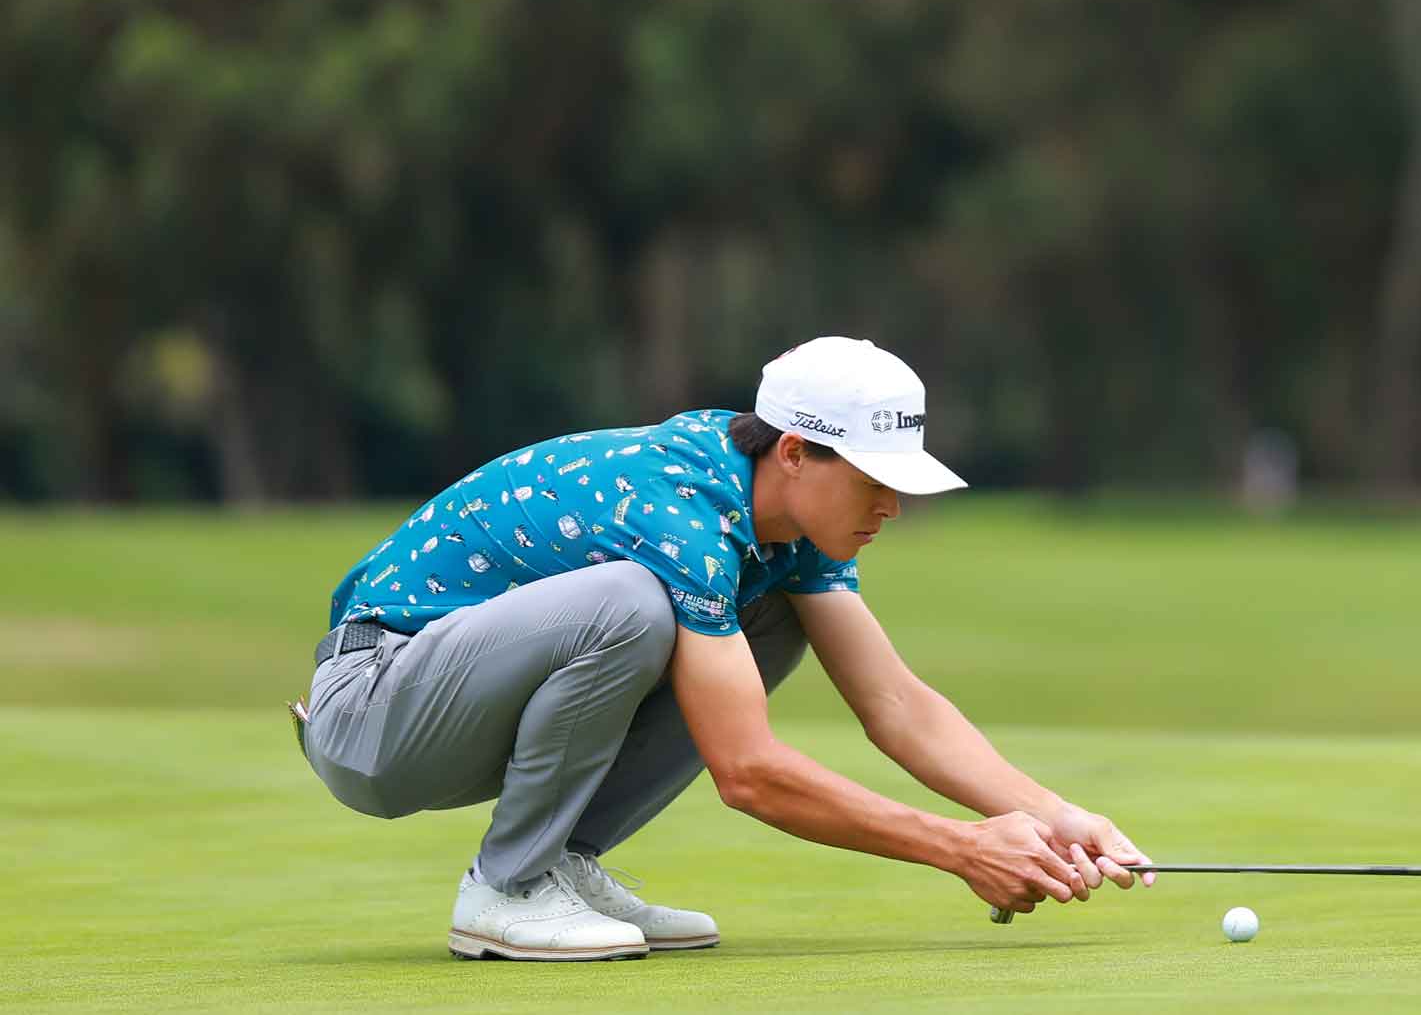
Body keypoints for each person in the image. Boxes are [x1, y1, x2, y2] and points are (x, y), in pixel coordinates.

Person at [294, 335, 1154, 961]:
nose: (893, 507)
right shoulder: (680, 508)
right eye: (875, 480)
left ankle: (559, 862)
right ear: (793, 451)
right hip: (374, 710)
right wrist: (961, 848)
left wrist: (1055, 817)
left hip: (458, 711)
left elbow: (897, 704)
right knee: (630, 605)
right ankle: (507, 887)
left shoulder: (784, 526)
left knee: (770, 618)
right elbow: (746, 772)